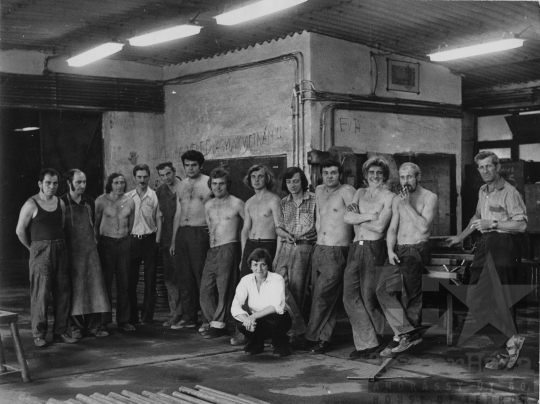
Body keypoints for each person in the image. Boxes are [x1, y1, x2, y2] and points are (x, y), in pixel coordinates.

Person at [447, 151, 527, 370]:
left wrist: (493, 224)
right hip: (485, 245)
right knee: (474, 299)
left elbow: (521, 225)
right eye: (481, 167)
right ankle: (509, 342)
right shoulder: (483, 191)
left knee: (502, 302)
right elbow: (476, 218)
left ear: (497, 167)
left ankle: (506, 352)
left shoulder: (510, 192)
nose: (485, 171)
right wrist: (461, 237)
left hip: (504, 246)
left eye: (489, 166)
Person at [376, 162, 438, 357]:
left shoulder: (429, 197)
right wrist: (389, 250)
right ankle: (407, 333)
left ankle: (402, 337)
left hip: (416, 249)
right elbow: (392, 228)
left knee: (410, 295)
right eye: (402, 177)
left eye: (409, 177)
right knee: (382, 289)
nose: (405, 181)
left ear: (418, 177)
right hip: (398, 249)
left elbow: (424, 227)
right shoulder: (397, 199)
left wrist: (407, 205)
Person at [16, 168, 76, 347]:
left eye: (55, 183)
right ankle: (39, 335)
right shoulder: (31, 204)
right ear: (40, 184)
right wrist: (33, 248)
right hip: (40, 251)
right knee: (40, 293)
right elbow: (20, 231)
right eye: (48, 183)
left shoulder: (60, 203)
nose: (52, 187)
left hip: (60, 249)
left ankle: (60, 332)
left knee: (63, 292)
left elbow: (61, 225)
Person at [343, 157, 394, 359]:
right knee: (349, 297)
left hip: (374, 248)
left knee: (368, 297)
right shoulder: (359, 192)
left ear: (385, 175)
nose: (375, 176)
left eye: (379, 173)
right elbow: (347, 217)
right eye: (371, 173)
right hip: (356, 247)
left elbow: (380, 228)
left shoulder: (389, 196)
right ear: (365, 175)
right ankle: (368, 341)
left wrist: (358, 219)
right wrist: (370, 216)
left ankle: (379, 340)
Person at [302, 159, 355, 354]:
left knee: (323, 296)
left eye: (333, 172)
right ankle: (323, 338)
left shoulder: (347, 191)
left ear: (340, 174)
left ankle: (315, 337)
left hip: (337, 249)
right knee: (319, 295)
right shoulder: (319, 191)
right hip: (319, 248)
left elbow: (356, 218)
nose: (329, 176)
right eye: (326, 173)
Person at [232, 164, 281, 345]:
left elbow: (279, 229)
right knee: (246, 289)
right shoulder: (249, 202)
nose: (257, 180)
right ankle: (244, 331)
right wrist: (243, 255)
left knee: (266, 289)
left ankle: (267, 331)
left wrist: (277, 255)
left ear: (267, 178)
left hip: (268, 244)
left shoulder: (274, 200)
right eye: (253, 177)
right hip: (251, 246)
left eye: (260, 176)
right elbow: (245, 230)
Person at [61, 169, 110, 339]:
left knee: (94, 288)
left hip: (89, 252)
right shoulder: (62, 202)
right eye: (78, 182)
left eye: (84, 182)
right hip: (71, 252)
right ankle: (75, 327)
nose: (82, 185)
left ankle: (94, 326)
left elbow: (93, 226)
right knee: (74, 291)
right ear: (69, 183)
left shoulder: (89, 201)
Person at [273, 166, 317, 346]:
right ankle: (298, 328)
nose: (292, 185)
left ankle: (294, 333)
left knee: (297, 290)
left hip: (304, 247)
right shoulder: (284, 202)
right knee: (277, 286)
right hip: (286, 246)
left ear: (302, 181)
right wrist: (284, 237)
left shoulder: (314, 199)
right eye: (289, 181)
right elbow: (278, 228)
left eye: (296, 181)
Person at [200, 168, 245, 339]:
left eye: (221, 184)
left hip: (229, 247)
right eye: (214, 184)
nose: (217, 187)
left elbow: (248, 227)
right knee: (205, 289)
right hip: (212, 249)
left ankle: (218, 325)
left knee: (224, 289)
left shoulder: (237, 203)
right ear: (210, 185)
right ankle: (217, 323)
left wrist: (243, 252)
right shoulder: (208, 205)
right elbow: (210, 228)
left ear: (228, 185)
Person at [170, 150, 213, 330]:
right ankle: (189, 317)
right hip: (183, 233)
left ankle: (207, 319)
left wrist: (212, 233)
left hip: (200, 232)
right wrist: (174, 240)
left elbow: (217, 208)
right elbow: (177, 213)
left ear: (200, 165)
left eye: (193, 165)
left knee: (202, 276)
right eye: (186, 165)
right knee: (184, 277)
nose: (190, 168)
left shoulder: (209, 182)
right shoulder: (181, 185)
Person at [231, 248, 292, 357]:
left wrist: (253, 316)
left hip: (277, 318)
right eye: (255, 265)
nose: (259, 268)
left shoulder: (277, 279)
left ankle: (280, 343)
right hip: (257, 320)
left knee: (277, 321)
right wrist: (246, 320)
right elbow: (235, 305)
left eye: (263, 264)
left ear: (268, 266)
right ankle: (257, 343)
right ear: (250, 266)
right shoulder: (246, 280)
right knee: (241, 324)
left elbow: (276, 306)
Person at [95, 173, 136, 332]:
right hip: (106, 243)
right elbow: (95, 225)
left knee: (124, 283)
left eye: (122, 182)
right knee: (105, 283)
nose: (120, 185)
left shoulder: (130, 201)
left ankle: (123, 320)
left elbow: (130, 225)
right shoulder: (101, 201)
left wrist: (124, 239)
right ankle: (103, 321)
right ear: (110, 184)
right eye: (116, 182)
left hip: (124, 242)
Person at [126, 164, 161, 325]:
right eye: (139, 177)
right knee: (131, 280)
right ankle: (132, 317)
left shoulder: (154, 196)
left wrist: (157, 241)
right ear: (134, 178)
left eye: (145, 177)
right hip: (132, 240)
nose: (142, 180)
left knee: (150, 280)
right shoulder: (127, 197)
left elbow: (159, 219)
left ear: (149, 177)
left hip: (149, 240)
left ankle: (147, 317)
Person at [155, 162, 185, 328]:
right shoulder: (160, 191)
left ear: (174, 172)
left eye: (168, 174)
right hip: (167, 239)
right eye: (162, 175)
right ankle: (176, 313)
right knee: (171, 277)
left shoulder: (185, 187)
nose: (166, 178)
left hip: (185, 236)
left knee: (187, 276)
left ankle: (191, 314)